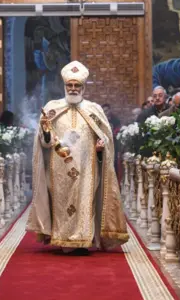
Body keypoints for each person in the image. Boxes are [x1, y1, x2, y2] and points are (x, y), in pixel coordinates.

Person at [26, 61, 129, 256]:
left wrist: (101, 146)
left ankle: (82, 241)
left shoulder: (94, 110)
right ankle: (62, 239)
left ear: (83, 88)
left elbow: (105, 138)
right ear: (64, 87)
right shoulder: (52, 108)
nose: (73, 89)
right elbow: (44, 142)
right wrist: (47, 133)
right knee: (62, 203)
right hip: (58, 168)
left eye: (77, 86)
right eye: (69, 86)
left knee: (84, 202)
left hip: (86, 168)